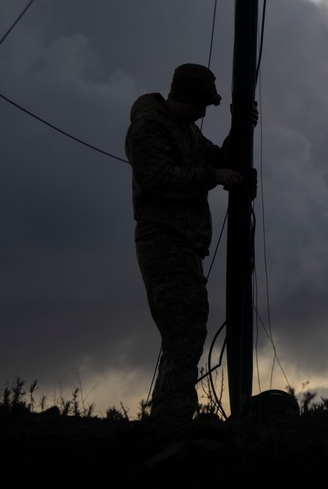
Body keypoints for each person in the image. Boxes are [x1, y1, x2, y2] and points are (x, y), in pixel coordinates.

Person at [125, 63, 244, 424]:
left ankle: (170, 415)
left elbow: (221, 160)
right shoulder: (150, 128)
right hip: (163, 238)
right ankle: (172, 417)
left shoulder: (185, 131)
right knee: (184, 328)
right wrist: (212, 177)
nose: (204, 112)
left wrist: (242, 127)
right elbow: (157, 177)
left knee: (188, 326)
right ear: (186, 98)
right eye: (202, 104)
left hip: (182, 242)